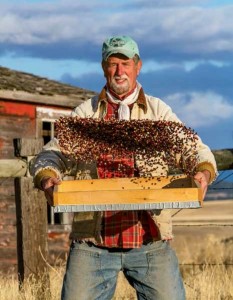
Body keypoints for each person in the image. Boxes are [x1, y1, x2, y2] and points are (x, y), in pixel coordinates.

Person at [32, 35, 217, 300]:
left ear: (137, 66)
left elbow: (193, 148)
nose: (119, 71)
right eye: (113, 63)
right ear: (103, 67)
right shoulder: (86, 114)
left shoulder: (157, 112)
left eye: (125, 63)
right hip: (93, 243)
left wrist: (203, 170)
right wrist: (47, 177)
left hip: (149, 240)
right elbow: (50, 156)